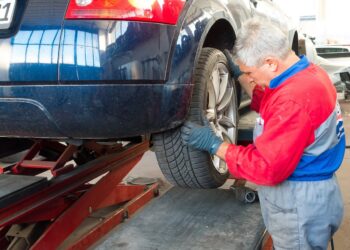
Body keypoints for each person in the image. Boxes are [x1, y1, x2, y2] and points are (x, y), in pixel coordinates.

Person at [182, 18, 344, 250]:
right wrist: (239, 75)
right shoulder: (310, 74)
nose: (250, 78)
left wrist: (215, 145)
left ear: (270, 63)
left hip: (299, 204)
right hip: (316, 194)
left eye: (250, 72)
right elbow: (272, 102)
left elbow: (266, 167)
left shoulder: (293, 99)